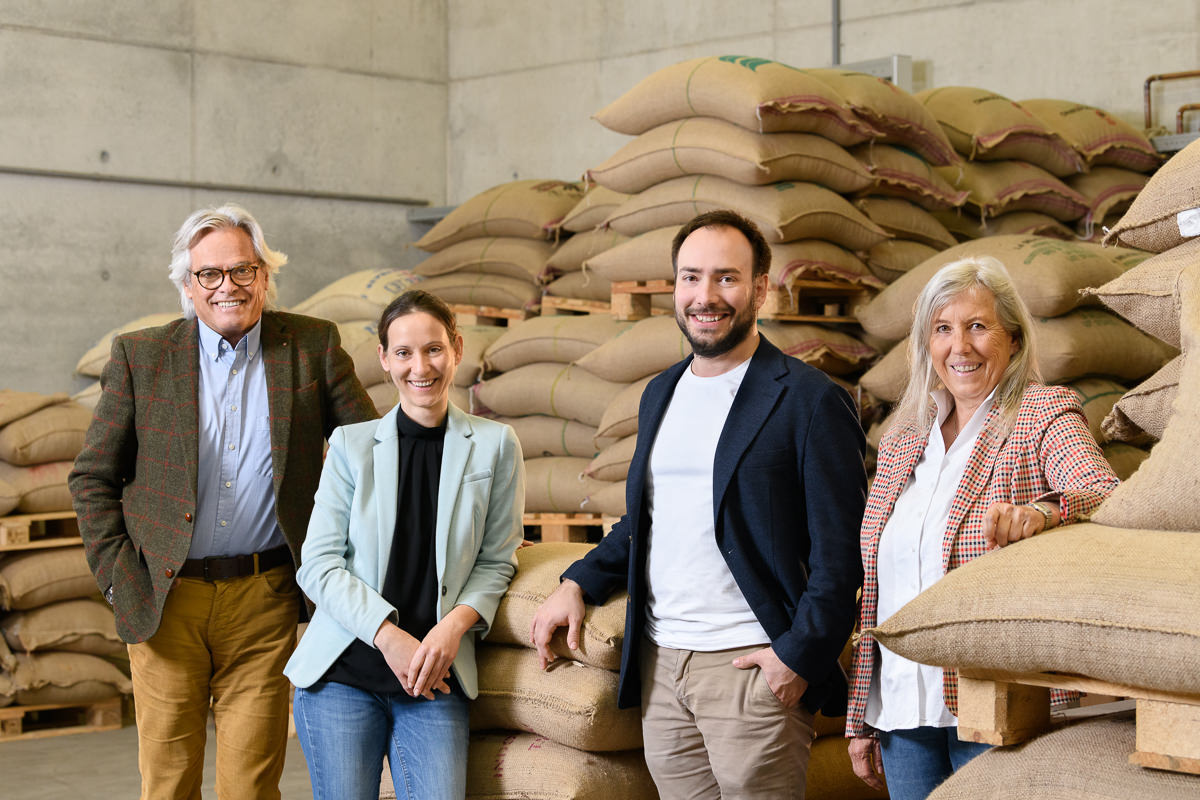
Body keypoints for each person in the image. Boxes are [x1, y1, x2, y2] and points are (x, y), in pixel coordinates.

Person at [530, 209, 866, 799]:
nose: (705, 296)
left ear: (761, 288)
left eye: (725, 278)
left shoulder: (808, 401)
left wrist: (798, 657)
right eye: (691, 277)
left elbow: (843, 553)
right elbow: (650, 520)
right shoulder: (662, 392)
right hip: (662, 661)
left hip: (750, 664)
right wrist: (577, 582)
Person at [69, 204, 377, 800]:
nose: (227, 286)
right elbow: (92, 479)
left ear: (265, 275)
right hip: (164, 599)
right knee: (168, 784)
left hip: (264, 599)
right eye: (209, 274)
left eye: (242, 270)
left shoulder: (311, 346)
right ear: (188, 285)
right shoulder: (142, 356)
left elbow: (369, 454)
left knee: (251, 788)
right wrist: (119, 577)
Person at [845, 256, 1120, 800]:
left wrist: (1044, 512)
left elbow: (1107, 495)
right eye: (943, 329)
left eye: (977, 326)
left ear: (1013, 340)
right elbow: (877, 585)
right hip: (902, 708)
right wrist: (862, 710)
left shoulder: (1042, 413)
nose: (960, 346)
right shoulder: (904, 439)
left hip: (998, 704)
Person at [283, 289, 524, 800]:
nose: (421, 367)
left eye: (433, 349)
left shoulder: (495, 445)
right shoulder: (350, 446)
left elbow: (497, 560)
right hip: (343, 674)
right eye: (404, 353)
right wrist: (390, 635)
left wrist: (452, 629)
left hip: (433, 679)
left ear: (456, 348)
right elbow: (318, 565)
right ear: (384, 359)